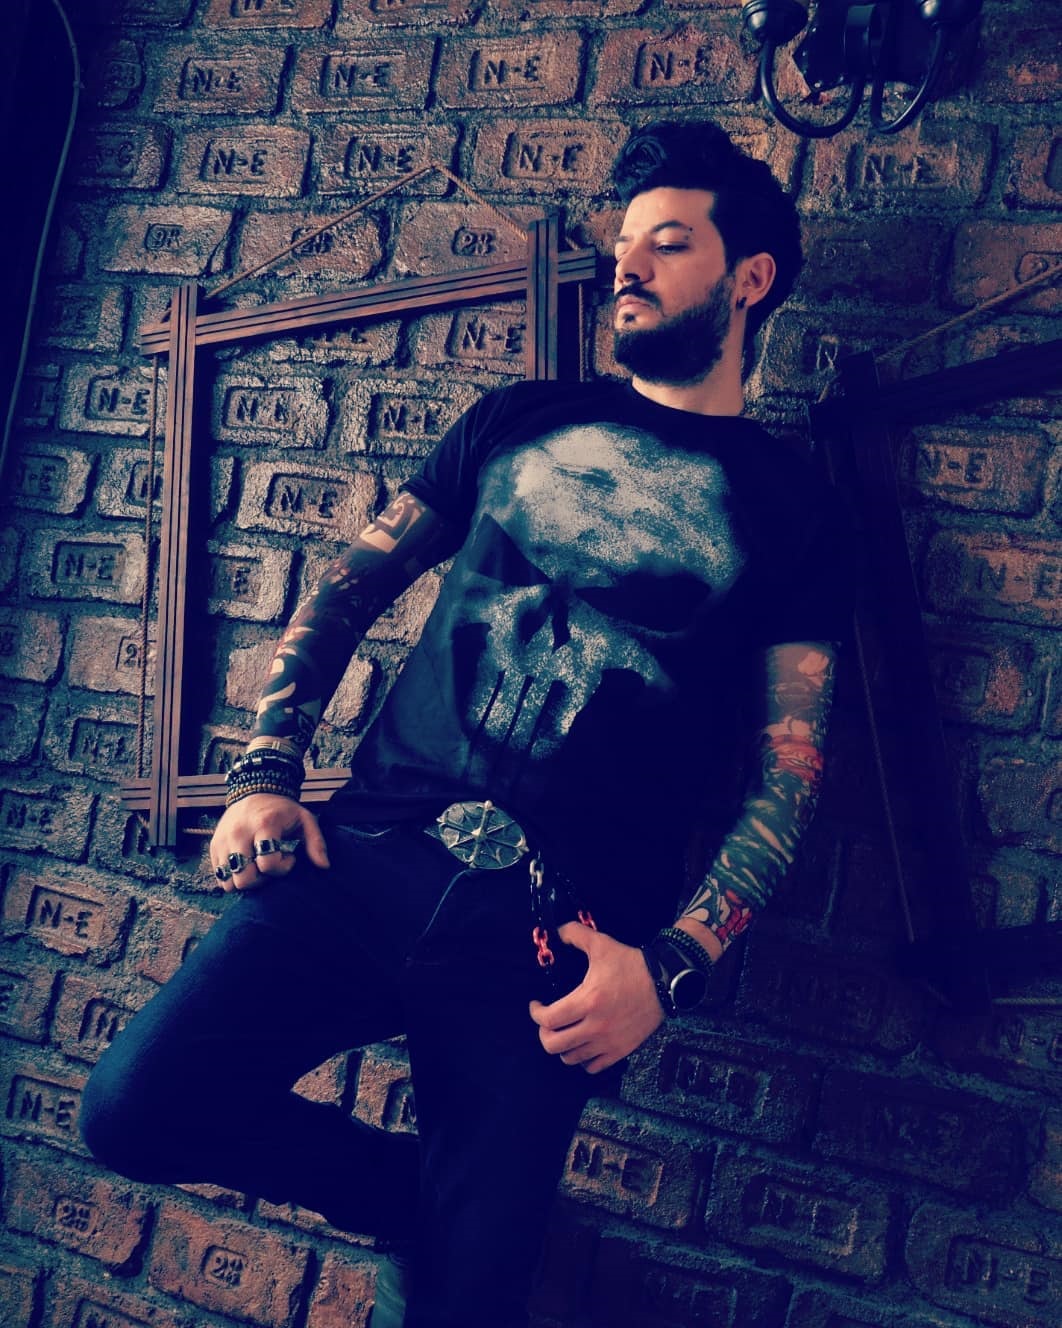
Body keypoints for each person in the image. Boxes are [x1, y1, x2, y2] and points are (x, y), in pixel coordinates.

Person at [81, 120, 851, 1327]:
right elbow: (347, 589)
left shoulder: (796, 508)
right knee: (133, 1108)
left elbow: (789, 772)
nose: (628, 265)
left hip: (557, 949)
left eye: (667, 242)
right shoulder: (515, 420)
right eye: (623, 244)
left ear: (749, 277)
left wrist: (671, 967)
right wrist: (264, 769)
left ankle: (456, 1235)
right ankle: (409, 1197)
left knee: (467, 1303)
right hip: (366, 859)